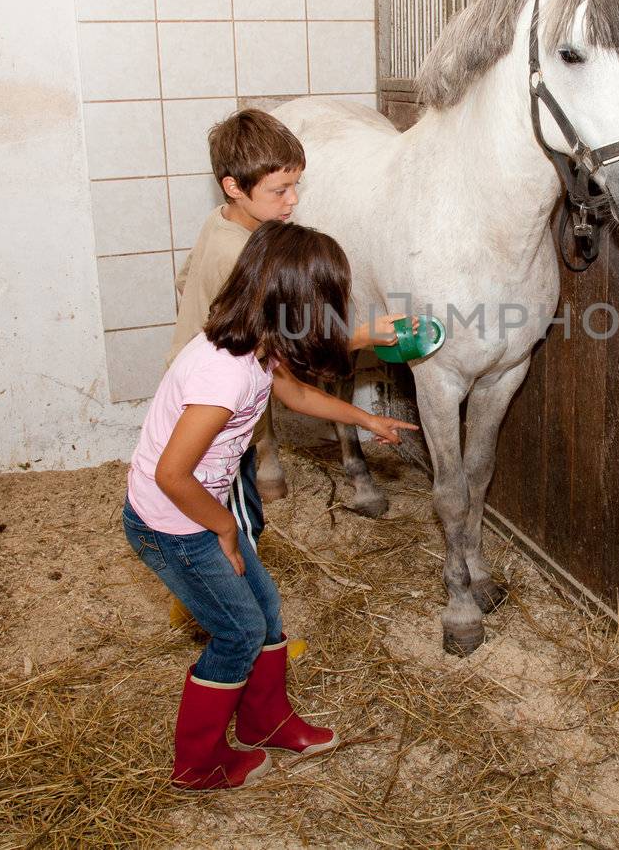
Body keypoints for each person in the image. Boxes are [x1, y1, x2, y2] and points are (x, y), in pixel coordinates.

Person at [124, 220, 418, 789]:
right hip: (174, 523)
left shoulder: (257, 349)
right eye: (328, 306)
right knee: (236, 632)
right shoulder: (224, 375)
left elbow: (293, 393)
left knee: (265, 611)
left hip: (198, 512)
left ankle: (265, 721)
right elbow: (171, 473)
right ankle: (198, 763)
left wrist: (365, 419)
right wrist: (224, 530)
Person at [165, 108, 396, 632]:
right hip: (219, 417)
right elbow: (290, 357)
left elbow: (185, 283)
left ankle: (197, 603)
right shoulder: (248, 255)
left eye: (295, 185)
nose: (293, 201)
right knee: (237, 524)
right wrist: (364, 335)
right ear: (233, 186)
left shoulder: (221, 223)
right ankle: (247, 629)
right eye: (280, 190)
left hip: (195, 383)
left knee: (217, 519)